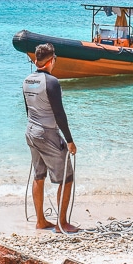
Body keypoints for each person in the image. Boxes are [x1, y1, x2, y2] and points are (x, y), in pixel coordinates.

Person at [23, 42, 79, 233]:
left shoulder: (27, 80)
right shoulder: (52, 82)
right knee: (67, 178)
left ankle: (40, 221)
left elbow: (28, 110)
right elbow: (59, 114)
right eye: (55, 59)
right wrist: (70, 141)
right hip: (47, 133)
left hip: (31, 131)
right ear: (50, 60)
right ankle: (61, 223)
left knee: (39, 176)